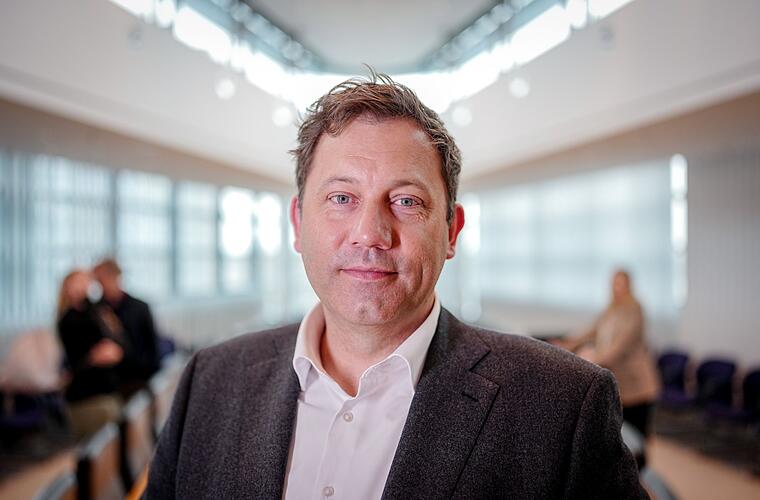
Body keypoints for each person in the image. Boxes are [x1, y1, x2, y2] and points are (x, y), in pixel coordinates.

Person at [145, 73, 647, 499]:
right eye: (341, 198)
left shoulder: (563, 405)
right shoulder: (210, 382)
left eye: (406, 201)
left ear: (451, 232)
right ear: (298, 224)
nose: (370, 234)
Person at [559, 270, 660, 439]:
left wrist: (594, 361)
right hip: (620, 382)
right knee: (621, 435)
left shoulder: (635, 310)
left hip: (636, 383)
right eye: (614, 284)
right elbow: (593, 331)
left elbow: (621, 345)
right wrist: (569, 343)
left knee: (637, 437)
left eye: (621, 284)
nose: (617, 288)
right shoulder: (611, 309)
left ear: (629, 286)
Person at [56, 269, 124, 439]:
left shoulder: (97, 311)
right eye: (77, 282)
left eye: (85, 281)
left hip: (108, 388)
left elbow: (118, 342)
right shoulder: (68, 319)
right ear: (67, 287)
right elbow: (78, 359)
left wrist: (113, 348)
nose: (82, 286)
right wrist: (95, 356)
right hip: (86, 394)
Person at [93, 258, 161, 397]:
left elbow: (152, 349)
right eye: (100, 281)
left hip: (138, 376)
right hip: (109, 381)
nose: (104, 285)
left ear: (117, 277)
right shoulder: (95, 310)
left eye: (106, 279)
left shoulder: (140, 308)